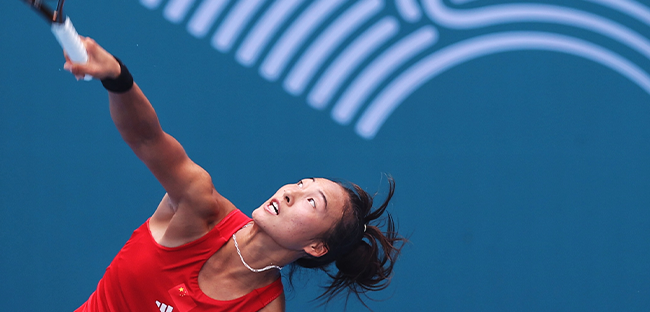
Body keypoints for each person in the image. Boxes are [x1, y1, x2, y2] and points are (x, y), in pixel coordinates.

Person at [64, 37, 404, 312]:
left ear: (316, 246)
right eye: (302, 184)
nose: (290, 192)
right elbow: (146, 138)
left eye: (311, 201)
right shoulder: (200, 204)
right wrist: (117, 78)